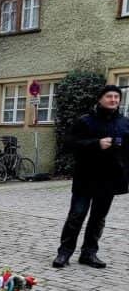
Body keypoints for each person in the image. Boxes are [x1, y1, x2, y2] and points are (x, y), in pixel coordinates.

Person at [52, 84, 129, 270]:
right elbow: (69, 143)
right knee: (76, 215)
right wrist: (96, 144)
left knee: (98, 218)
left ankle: (89, 253)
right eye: (109, 96)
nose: (113, 100)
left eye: (116, 97)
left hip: (110, 179)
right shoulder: (85, 121)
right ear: (100, 99)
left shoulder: (124, 123)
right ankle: (64, 252)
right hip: (86, 177)